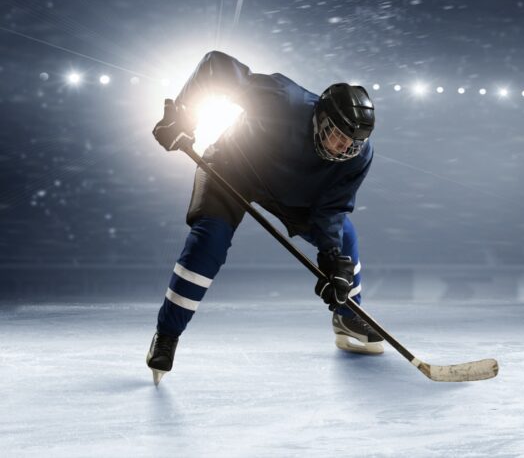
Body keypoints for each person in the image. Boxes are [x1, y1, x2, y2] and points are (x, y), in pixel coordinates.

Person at [146, 51, 379, 385]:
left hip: (292, 192)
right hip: (234, 166)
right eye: (339, 136)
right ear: (320, 117)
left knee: (344, 241)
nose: (344, 150)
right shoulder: (282, 99)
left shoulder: (358, 157)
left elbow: (332, 208)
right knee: (208, 244)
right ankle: (167, 334)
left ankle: (348, 315)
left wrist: (331, 260)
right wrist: (182, 115)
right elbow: (215, 65)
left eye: (353, 144)